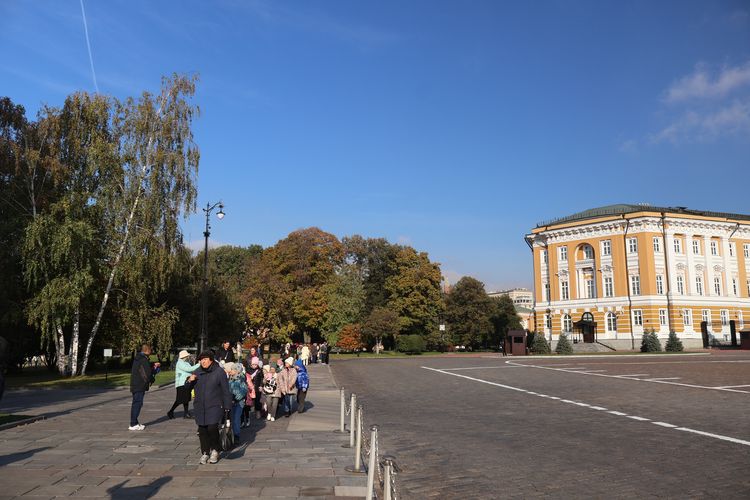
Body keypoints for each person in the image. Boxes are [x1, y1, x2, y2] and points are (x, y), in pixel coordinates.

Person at [188, 351, 232, 465]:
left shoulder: (219, 372)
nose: (203, 361)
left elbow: (226, 390)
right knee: (202, 430)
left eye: (205, 359)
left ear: (211, 360)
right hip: (200, 406)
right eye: (201, 359)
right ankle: (205, 452)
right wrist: (189, 380)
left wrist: (227, 407)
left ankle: (216, 450)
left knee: (212, 428)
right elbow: (187, 387)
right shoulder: (197, 372)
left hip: (214, 405)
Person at [129, 344, 160, 431]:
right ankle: (133, 423)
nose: (151, 352)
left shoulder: (139, 358)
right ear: (147, 350)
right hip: (140, 385)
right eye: (150, 350)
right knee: (137, 403)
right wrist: (153, 375)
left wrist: (153, 364)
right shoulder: (143, 359)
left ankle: (134, 422)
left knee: (136, 403)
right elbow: (147, 373)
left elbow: (144, 367)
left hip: (136, 384)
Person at [168, 350, 199, 419]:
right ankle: (170, 411)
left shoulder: (185, 362)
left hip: (187, 382)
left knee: (186, 399)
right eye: (187, 356)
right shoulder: (180, 363)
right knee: (179, 400)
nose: (188, 356)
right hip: (181, 384)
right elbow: (189, 369)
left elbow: (191, 370)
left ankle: (186, 413)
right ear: (184, 356)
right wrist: (199, 364)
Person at [224, 362, 247, 446]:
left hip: (238, 403)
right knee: (231, 419)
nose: (231, 370)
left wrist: (235, 398)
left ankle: (236, 435)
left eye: (233, 369)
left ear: (237, 371)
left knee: (236, 419)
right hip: (230, 402)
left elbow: (244, 390)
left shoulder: (241, 379)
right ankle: (232, 434)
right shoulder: (230, 379)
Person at [243, 357, 263, 425]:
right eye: (253, 364)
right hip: (250, 388)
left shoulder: (260, 371)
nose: (254, 365)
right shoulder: (248, 370)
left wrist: (261, 385)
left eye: (255, 364)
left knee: (257, 400)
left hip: (257, 387)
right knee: (249, 401)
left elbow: (261, 379)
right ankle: (248, 413)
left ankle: (258, 411)